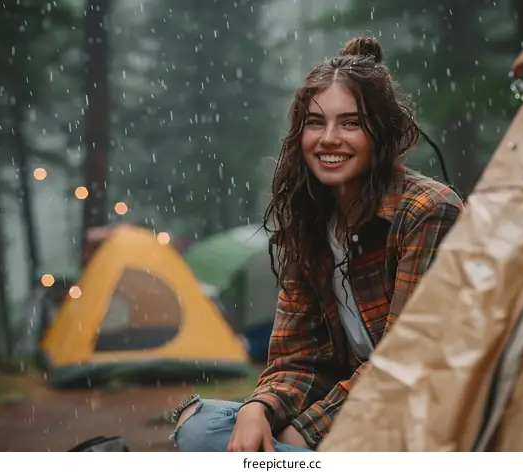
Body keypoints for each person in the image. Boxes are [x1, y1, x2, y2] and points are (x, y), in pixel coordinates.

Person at [170, 36, 464, 453]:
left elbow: (405, 363)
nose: (328, 138)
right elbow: (298, 358)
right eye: (315, 122)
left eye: (350, 123)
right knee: (201, 425)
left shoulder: (427, 211)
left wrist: (303, 435)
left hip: (422, 420)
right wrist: (261, 408)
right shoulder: (311, 221)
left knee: (250, 449)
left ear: (381, 133)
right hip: (347, 415)